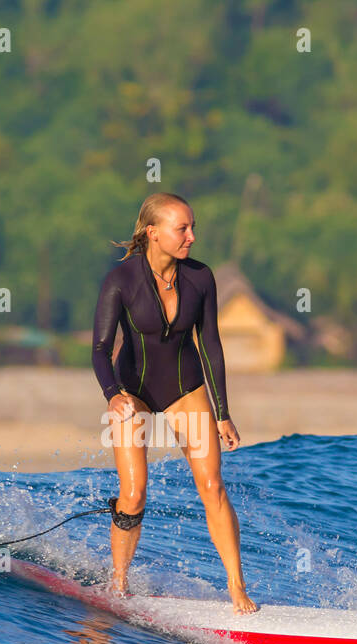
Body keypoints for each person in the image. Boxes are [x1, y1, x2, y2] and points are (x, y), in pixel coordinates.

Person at [91, 192, 258, 615]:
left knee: (213, 485)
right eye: (182, 228)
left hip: (186, 389)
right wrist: (113, 396)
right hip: (133, 392)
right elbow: (99, 349)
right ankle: (119, 582)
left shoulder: (200, 278)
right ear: (153, 232)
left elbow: (212, 346)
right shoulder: (121, 281)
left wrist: (222, 412)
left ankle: (237, 588)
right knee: (134, 492)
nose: (192, 237)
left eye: (192, 227)